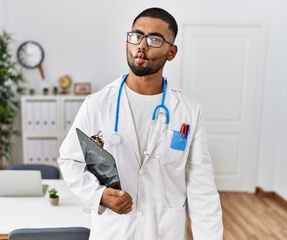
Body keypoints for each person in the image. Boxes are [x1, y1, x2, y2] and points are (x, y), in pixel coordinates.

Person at [58, 7, 223, 240]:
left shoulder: (188, 111)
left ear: (171, 52)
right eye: (136, 36)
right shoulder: (97, 104)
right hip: (114, 230)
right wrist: (99, 195)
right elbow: (70, 160)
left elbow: (201, 185)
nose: (142, 45)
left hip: (164, 231)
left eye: (155, 39)